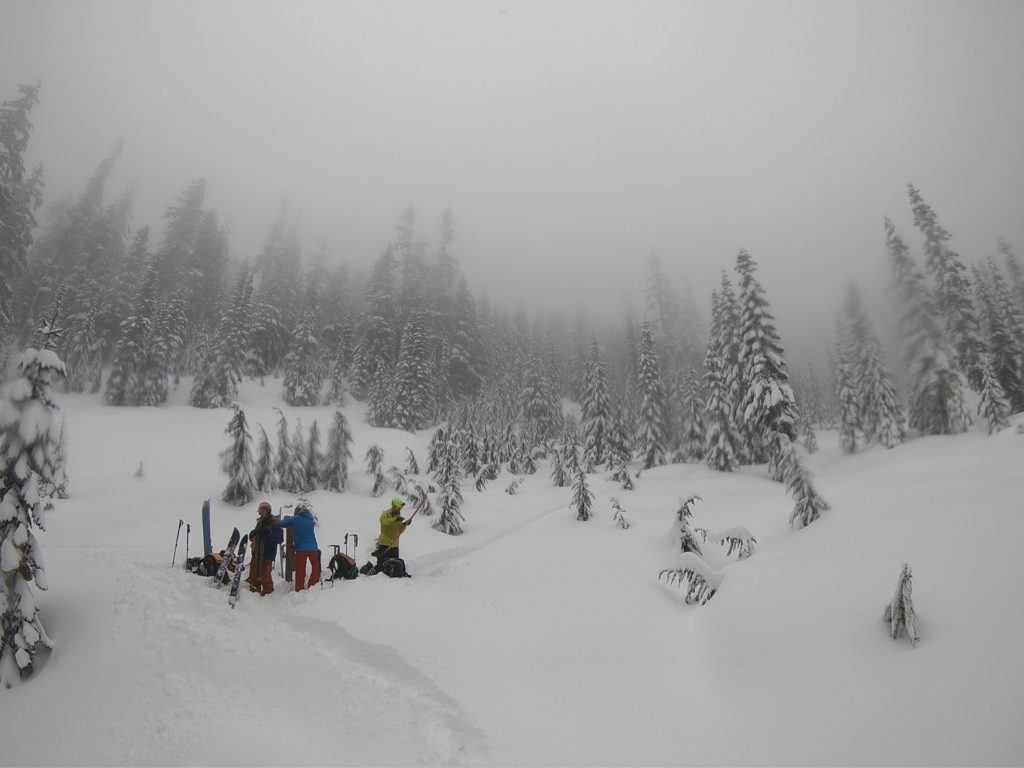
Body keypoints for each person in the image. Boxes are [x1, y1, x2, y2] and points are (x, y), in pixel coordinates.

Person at [278, 502, 320, 591]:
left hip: (301, 549)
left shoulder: (295, 519)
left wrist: (276, 521)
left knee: (300, 570)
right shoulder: (311, 520)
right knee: (316, 567)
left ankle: (299, 588)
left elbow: (282, 523)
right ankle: (312, 585)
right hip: (313, 548)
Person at [248, 501, 283, 595]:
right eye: (259, 512)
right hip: (256, 553)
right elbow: (256, 535)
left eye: (262, 512)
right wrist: (252, 535)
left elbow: (280, 539)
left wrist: (269, 533)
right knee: (254, 573)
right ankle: (254, 590)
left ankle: (268, 592)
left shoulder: (275, 523)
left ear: (268, 511)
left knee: (265, 575)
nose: (260, 514)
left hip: (267, 553)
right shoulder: (259, 522)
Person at [372, 497, 412, 573]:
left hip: (395, 545)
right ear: (393, 506)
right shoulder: (385, 513)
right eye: (398, 508)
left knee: (394, 564)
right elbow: (383, 521)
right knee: (381, 565)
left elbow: (400, 531)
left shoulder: (398, 517)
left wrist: (405, 524)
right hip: (385, 543)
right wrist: (394, 519)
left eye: (400, 508)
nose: (399, 510)